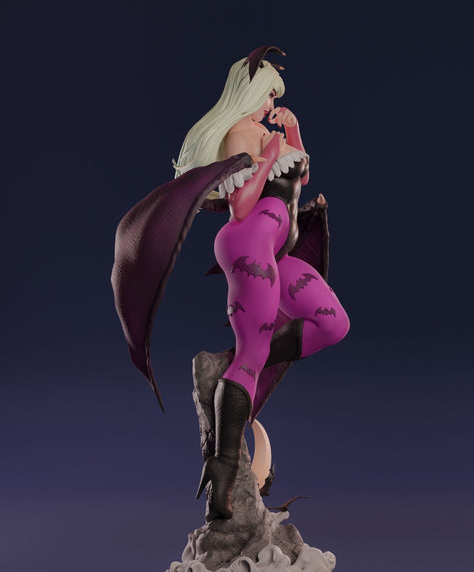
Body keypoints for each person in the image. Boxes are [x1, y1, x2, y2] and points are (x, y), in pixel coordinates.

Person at [112, 47, 349, 521]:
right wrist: (270, 155)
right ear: (250, 92)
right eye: (268, 95)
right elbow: (241, 205)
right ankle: (222, 478)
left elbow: (299, 179)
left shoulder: (267, 132)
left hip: (276, 252)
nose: (272, 104)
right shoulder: (241, 133)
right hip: (250, 244)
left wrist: (293, 134)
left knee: (332, 323)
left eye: (276, 97)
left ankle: (236, 364)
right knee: (253, 354)